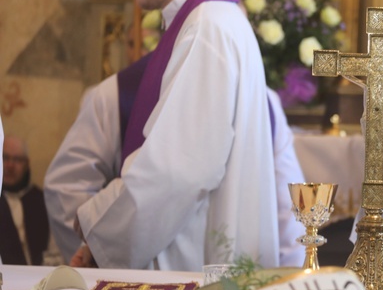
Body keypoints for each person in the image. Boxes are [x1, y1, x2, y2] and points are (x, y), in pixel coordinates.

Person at [43, 0, 282, 271]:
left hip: (196, 265)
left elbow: (178, 167)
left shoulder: (206, 27)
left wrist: (97, 225)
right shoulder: (212, 19)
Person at [45, 74, 306, 268]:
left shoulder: (264, 100)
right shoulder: (116, 92)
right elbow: (66, 185)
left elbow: (289, 204)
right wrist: (97, 253)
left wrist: (289, 283)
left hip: (237, 275)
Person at [1, 136, 61, 265]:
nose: (10, 165)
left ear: (27, 164)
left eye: (17, 159)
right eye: (5, 158)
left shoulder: (42, 201)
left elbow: (55, 254)